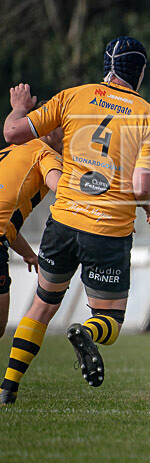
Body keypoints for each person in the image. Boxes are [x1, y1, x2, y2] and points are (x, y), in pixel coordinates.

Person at [0, 36, 150, 405]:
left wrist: (16, 107)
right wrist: (145, 202)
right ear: (140, 72)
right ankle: (87, 331)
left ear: (106, 66)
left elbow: (13, 133)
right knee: (112, 320)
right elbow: (142, 185)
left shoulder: (73, 95)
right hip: (108, 229)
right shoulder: (148, 115)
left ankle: (7, 388)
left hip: (63, 223)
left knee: (42, 303)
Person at [0, 128, 64, 337]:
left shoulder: (13, 149)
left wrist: (28, 254)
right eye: (67, 130)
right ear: (50, 129)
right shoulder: (46, 154)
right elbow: (62, 189)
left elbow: (7, 223)